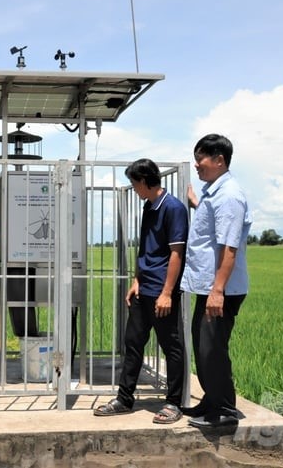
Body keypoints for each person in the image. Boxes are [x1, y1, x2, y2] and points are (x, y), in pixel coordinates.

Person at [94, 158, 188, 424]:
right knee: (133, 343)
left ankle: (173, 403)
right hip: (143, 289)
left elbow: (176, 252)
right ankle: (124, 399)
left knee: (172, 346)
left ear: (145, 181)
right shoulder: (149, 206)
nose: (134, 189)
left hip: (161, 291)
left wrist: (167, 292)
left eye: (135, 184)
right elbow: (145, 248)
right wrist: (137, 280)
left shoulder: (174, 208)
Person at [180, 134, 252, 428]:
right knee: (202, 345)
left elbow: (229, 247)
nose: (197, 165)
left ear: (219, 160)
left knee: (213, 348)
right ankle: (211, 400)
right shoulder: (214, 194)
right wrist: (197, 203)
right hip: (209, 287)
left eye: (201, 159)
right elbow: (213, 225)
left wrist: (218, 290)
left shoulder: (229, 195)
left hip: (221, 289)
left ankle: (224, 411)